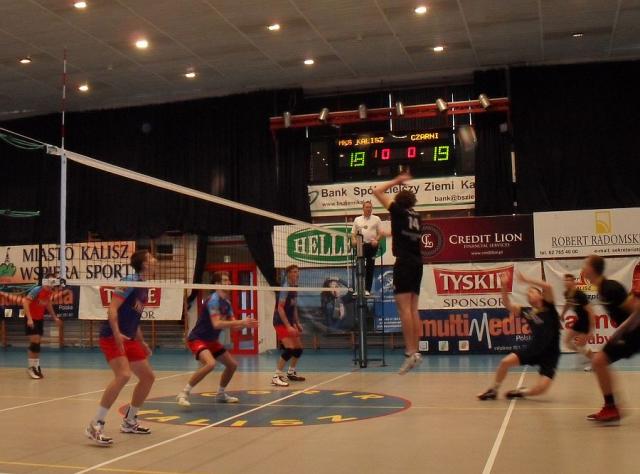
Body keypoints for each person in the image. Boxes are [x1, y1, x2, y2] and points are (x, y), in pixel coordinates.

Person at [85, 249, 157, 446]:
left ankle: (130, 421)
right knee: (124, 375)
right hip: (112, 336)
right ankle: (95, 424)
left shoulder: (144, 285)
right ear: (144, 264)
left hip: (130, 338)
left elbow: (135, 319)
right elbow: (112, 309)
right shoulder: (130, 281)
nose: (155, 260)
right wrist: (116, 333)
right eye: (151, 257)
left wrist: (142, 341)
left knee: (148, 377)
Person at [177, 271, 259, 406]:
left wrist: (246, 324)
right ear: (217, 284)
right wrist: (241, 322)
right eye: (225, 280)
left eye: (229, 280)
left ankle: (221, 394)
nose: (229, 283)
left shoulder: (226, 303)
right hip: (198, 338)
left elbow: (234, 327)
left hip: (212, 341)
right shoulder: (213, 300)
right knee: (210, 364)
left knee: (232, 365)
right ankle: (184, 393)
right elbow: (217, 324)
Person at [478, 271, 561, 400]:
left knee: (541, 389)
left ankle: (521, 392)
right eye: (527, 294)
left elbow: (548, 286)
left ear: (540, 296)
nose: (529, 294)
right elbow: (507, 304)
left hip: (550, 354)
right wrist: (503, 286)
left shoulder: (549, 307)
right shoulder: (527, 312)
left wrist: (526, 279)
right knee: (505, 362)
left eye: (532, 292)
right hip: (533, 349)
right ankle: (493, 390)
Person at [372, 172, 423, 374]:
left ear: (398, 202)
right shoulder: (417, 217)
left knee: (404, 311)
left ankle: (410, 353)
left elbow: (377, 190)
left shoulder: (397, 211)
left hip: (404, 264)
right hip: (417, 263)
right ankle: (416, 351)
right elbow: (403, 233)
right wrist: (386, 233)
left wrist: (397, 181)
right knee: (414, 309)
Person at [582, 255, 638, 423]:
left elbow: (636, 310)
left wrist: (621, 331)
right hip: (628, 334)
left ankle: (611, 408)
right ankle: (610, 407)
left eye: (585, 265)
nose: (583, 268)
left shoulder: (610, 288)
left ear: (592, 269)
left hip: (634, 334)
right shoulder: (601, 289)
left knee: (599, 360)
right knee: (599, 361)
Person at [22, 274, 63, 379]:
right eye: (51, 280)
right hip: (31, 319)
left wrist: (55, 317)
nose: (52, 283)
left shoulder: (49, 291)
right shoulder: (37, 290)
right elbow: (25, 302)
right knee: (34, 342)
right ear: (46, 280)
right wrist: (29, 319)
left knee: (37, 344)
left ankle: (36, 365)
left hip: (39, 319)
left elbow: (48, 304)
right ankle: (31, 367)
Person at [272, 264, 305, 387]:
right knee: (290, 348)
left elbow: (294, 307)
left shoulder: (294, 287)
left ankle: (291, 372)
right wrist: (288, 326)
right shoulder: (285, 288)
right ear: (289, 273)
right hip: (280, 322)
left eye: (297, 271)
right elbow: (280, 308)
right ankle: (276, 376)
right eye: (294, 271)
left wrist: (297, 323)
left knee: (298, 349)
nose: (297, 274)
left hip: (290, 322)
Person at [560, 273, 595, 370]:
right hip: (579, 320)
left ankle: (595, 362)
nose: (566, 282)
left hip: (586, 322)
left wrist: (591, 331)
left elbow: (591, 312)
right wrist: (562, 314)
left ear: (573, 282)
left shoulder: (580, 295)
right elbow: (568, 303)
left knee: (581, 346)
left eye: (569, 280)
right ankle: (585, 353)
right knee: (567, 342)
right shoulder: (566, 293)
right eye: (565, 280)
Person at [351, 201, 383, 296]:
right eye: (367, 207)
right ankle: (358, 289)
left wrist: (376, 240)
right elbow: (353, 234)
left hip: (372, 246)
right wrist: (354, 241)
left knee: (370, 268)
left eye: (370, 207)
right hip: (361, 246)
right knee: (359, 267)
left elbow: (380, 233)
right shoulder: (357, 219)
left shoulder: (376, 219)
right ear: (363, 208)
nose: (369, 209)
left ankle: (367, 290)